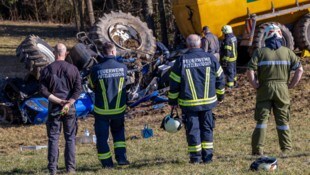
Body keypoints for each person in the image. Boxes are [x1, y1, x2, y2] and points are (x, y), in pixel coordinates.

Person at [246, 24, 303, 156]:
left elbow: (250, 70)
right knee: (283, 121)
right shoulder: (288, 52)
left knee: (261, 121)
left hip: (265, 89)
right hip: (282, 89)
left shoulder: (260, 52)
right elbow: (300, 69)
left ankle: (257, 150)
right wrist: (291, 85)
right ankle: (286, 149)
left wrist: (255, 84)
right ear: (281, 35)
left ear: (266, 36)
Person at [168, 34, 225, 164]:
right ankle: (208, 157)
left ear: (188, 45)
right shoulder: (210, 58)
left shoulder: (181, 60)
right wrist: (220, 95)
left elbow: (174, 83)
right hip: (208, 103)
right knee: (207, 128)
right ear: (200, 44)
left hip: (189, 104)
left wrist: (172, 101)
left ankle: (195, 158)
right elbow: (221, 78)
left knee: (193, 130)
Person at [40, 43, 82, 175]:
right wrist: (69, 103)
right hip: (70, 109)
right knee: (70, 138)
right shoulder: (73, 69)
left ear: (54, 53)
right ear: (66, 53)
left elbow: (43, 90)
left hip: (54, 108)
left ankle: (53, 169)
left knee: (53, 138)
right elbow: (78, 89)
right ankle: (70, 168)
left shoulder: (46, 70)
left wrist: (58, 101)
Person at [89, 42, 129, 168]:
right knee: (119, 135)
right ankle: (121, 158)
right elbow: (126, 85)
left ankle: (107, 164)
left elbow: (91, 86)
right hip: (118, 110)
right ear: (112, 52)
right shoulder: (123, 67)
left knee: (102, 138)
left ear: (103, 52)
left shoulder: (96, 69)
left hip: (101, 111)